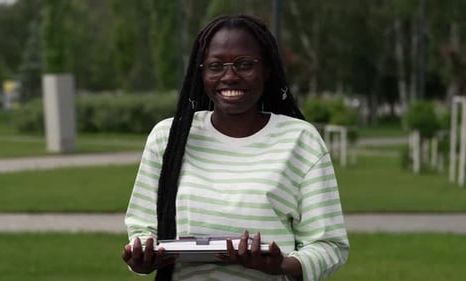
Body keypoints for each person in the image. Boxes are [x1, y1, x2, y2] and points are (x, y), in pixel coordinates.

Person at [122, 14, 349, 281]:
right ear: (201, 72)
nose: (230, 76)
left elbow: (329, 246)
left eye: (244, 64)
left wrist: (282, 265)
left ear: (267, 70)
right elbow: (143, 230)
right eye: (216, 66)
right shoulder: (167, 138)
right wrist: (142, 256)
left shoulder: (300, 140)